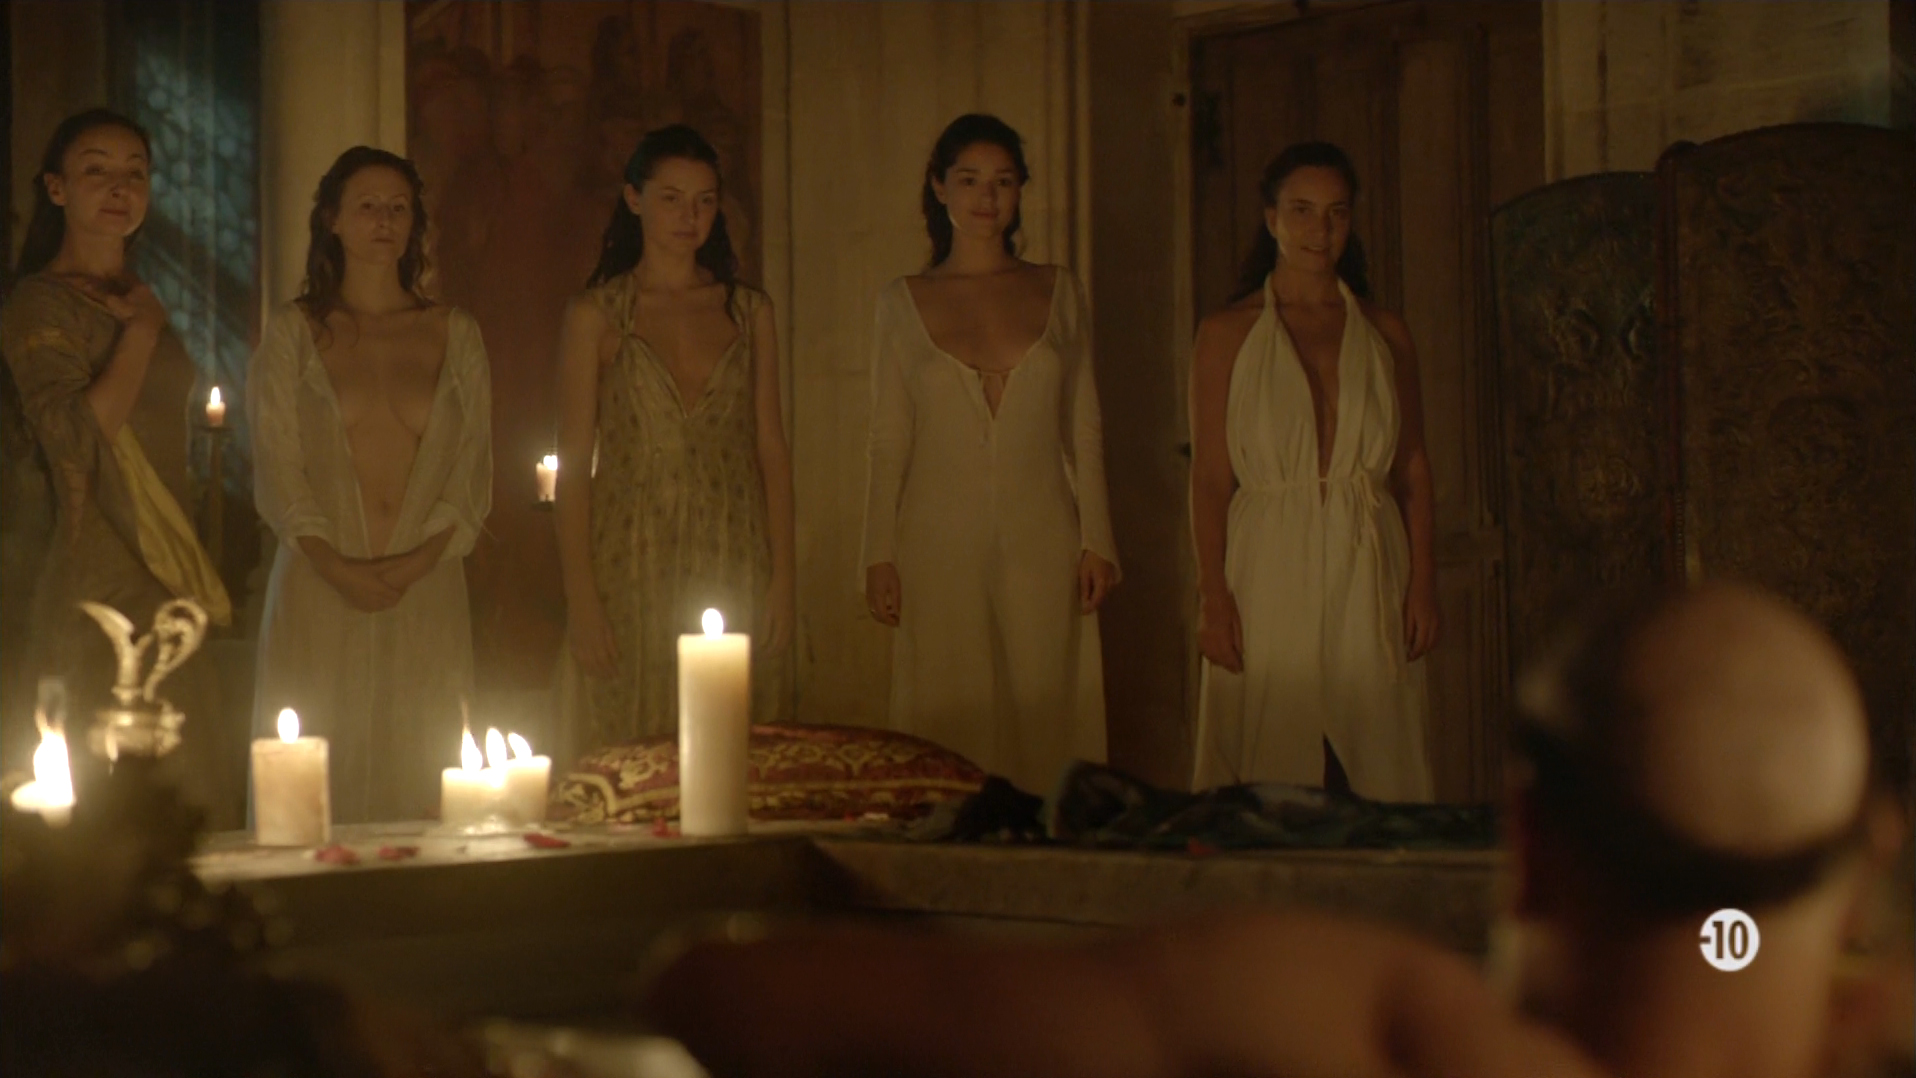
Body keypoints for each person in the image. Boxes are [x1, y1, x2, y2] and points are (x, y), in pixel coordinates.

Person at [641, 583, 1914, 1078]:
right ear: (1864, 874)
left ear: (1525, 847)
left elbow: (718, 989)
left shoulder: (1382, 1024)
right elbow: (1731, 945)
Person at [860, 113, 1119, 796]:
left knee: (1046, 698)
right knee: (950, 701)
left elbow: (1084, 427)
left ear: (1019, 191)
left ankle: (1053, 832)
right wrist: (877, 552)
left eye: (1003, 181)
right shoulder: (903, 301)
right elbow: (888, 438)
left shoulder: (1059, 290)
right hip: (936, 533)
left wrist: (1098, 538)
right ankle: (954, 833)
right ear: (939, 187)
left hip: (1044, 526)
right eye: (970, 179)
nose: (987, 196)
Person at [0, 109, 234, 824]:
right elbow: (79, 438)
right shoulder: (40, 302)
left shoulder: (135, 294)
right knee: (106, 795)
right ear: (57, 188)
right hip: (92, 562)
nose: (119, 186)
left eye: (135, 172)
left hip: (163, 562)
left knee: (187, 782)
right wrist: (143, 333)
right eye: (96, 169)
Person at [249, 146, 492, 824]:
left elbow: (471, 471)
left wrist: (416, 563)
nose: (384, 220)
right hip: (317, 583)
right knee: (309, 784)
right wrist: (335, 566)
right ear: (332, 219)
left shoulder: (453, 332)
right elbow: (278, 465)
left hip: (426, 584)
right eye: (367, 206)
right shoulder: (295, 332)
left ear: (415, 224)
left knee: (424, 765)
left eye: (398, 208)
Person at [1190, 141, 1438, 801]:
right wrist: (1213, 596)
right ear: (1271, 218)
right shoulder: (1227, 332)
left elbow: (1413, 467)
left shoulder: (1385, 333)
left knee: (1379, 747)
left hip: (1368, 554)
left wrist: (1422, 584)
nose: (1319, 230)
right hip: (1268, 557)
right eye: (1301, 210)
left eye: (1336, 213)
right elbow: (1210, 478)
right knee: (1272, 745)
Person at [554, 125, 794, 751]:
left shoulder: (748, 312)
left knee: (732, 742)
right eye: (672, 198)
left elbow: (771, 448)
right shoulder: (598, 315)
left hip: (733, 548)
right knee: (632, 741)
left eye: (705, 201)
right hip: (630, 553)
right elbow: (574, 467)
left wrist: (783, 580)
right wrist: (581, 598)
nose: (691, 217)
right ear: (634, 198)